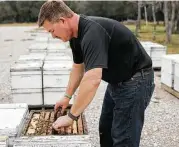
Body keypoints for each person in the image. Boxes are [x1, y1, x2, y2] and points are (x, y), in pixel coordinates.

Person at [38, 1, 155, 147]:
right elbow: (78, 68)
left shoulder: (92, 33)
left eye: (52, 31)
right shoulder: (75, 36)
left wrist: (71, 116)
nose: (53, 36)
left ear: (62, 21)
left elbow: (93, 79)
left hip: (136, 80)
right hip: (117, 80)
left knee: (123, 137)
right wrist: (67, 97)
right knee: (105, 129)